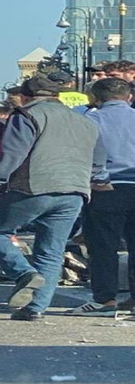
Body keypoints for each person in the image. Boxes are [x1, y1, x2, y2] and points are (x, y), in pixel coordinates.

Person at [0, 76, 99, 321]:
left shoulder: (27, 115)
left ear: (25, 96)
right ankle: (35, 307)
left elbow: (12, 153)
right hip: (75, 190)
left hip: (34, 187)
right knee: (51, 250)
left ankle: (23, 273)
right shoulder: (84, 120)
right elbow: (97, 159)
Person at [68, 77, 135, 316]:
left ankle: (105, 299)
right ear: (129, 97)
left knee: (103, 246)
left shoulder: (88, 119)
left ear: (95, 98)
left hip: (105, 188)